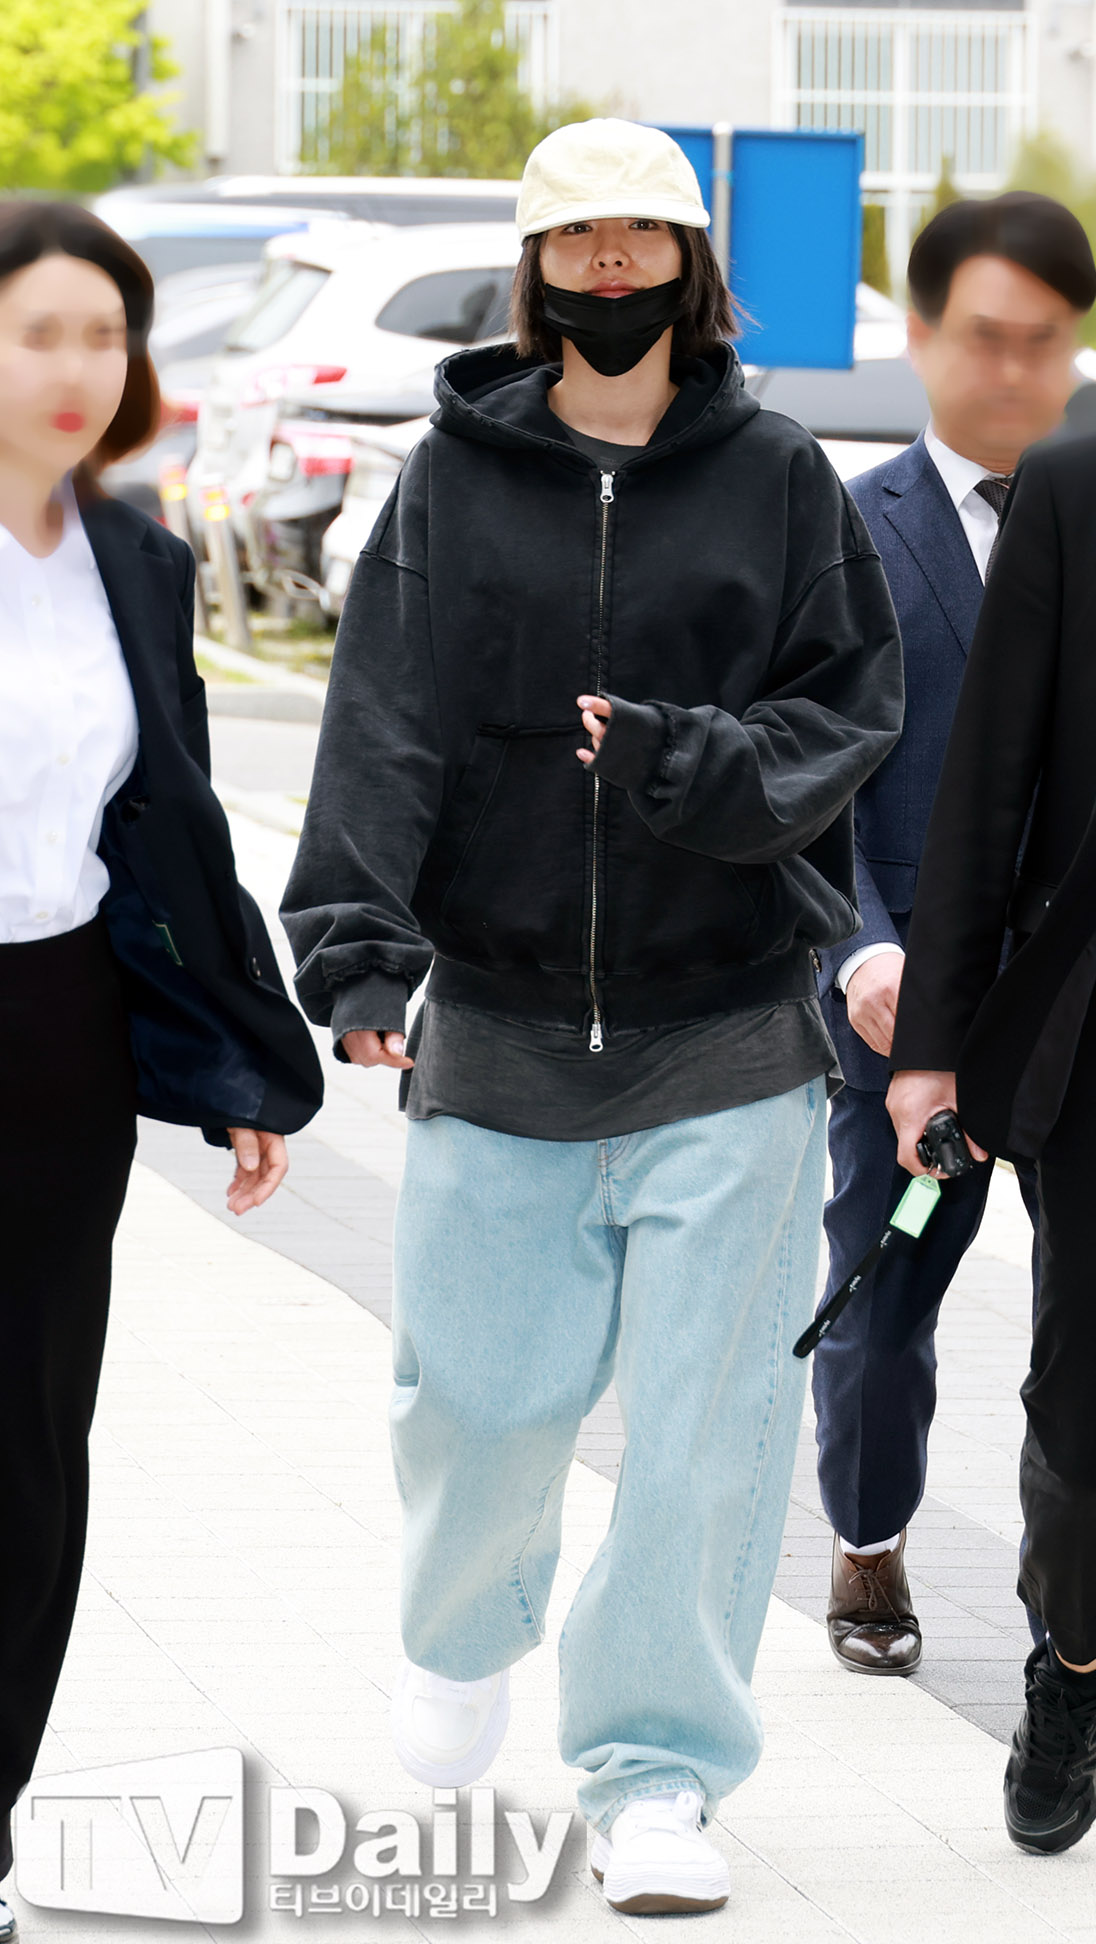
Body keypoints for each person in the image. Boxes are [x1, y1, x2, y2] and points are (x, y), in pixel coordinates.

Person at [282, 117, 902, 1918]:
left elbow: (846, 713)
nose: (610, 264)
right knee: (474, 1403)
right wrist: (357, 947)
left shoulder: (779, 476)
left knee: (709, 1439)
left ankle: (656, 1775)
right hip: (497, 1019)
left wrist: (682, 763)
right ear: (537, 267)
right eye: (578, 238)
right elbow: (383, 719)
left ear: (690, 265)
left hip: (729, 1031)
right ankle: (464, 1632)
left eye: (642, 236)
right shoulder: (451, 480)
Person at [0, 202, 323, 1931]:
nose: (76, 369)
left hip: (58, 1034)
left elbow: (175, 831)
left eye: (104, 336)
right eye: (37, 332)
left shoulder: (135, 556)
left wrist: (241, 1062)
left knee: (31, 1449)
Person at [810, 192, 1096, 1756]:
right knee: (887, 1306)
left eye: (1045, 343)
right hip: (913, 1008)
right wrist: (864, 951)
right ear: (921, 335)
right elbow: (811, 780)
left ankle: (1081, 1641)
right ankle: (868, 1536)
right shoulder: (848, 534)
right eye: (984, 338)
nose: (1014, 372)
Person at [886, 139, 1096, 1854]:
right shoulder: (1094, 488)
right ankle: (1081, 1652)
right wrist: (935, 1047)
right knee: (1083, 1455)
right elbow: (988, 787)